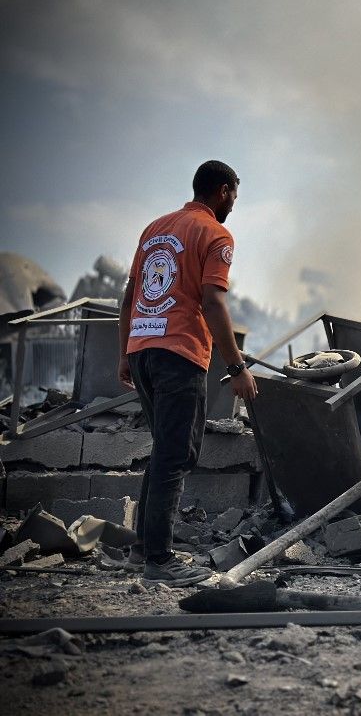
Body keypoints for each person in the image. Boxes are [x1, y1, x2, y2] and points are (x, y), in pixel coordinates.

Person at [117, 160, 258, 587]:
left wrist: (126, 354)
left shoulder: (154, 228)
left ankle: (142, 549)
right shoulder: (216, 233)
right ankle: (159, 560)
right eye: (235, 192)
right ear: (222, 191)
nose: (235, 201)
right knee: (176, 455)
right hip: (179, 352)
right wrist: (237, 368)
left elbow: (129, 297)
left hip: (143, 347)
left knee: (165, 451)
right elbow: (213, 302)